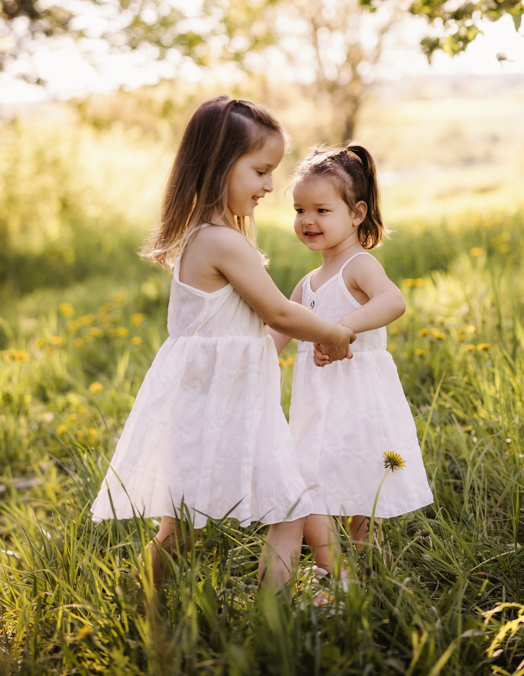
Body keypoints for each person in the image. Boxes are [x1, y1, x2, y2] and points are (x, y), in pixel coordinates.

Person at [90, 98, 355, 592]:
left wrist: (282, 343)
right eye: (259, 171)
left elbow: (249, 329)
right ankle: (312, 601)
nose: (269, 186)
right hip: (218, 404)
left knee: (262, 508)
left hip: (219, 400)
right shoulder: (221, 241)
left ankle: (326, 586)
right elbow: (276, 311)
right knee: (229, 517)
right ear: (218, 165)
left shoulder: (206, 236)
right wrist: (333, 332)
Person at [270, 143, 433, 604]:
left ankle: (371, 577)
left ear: (357, 212)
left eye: (322, 209)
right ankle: (335, 575)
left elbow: (392, 302)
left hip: (357, 400)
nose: (308, 220)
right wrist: (248, 358)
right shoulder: (308, 281)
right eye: (300, 209)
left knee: (358, 493)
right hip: (315, 404)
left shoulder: (358, 265)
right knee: (310, 484)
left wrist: (342, 328)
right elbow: (279, 328)